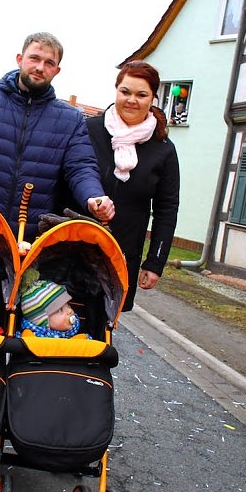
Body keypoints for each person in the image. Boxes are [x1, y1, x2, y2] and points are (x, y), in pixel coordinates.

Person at [0, 32, 114, 240]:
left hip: (31, 238)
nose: (40, 67)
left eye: (49, 63)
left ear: (57, 71)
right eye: (34, 58)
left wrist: (93, 196)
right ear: (20, 59)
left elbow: (81, 167)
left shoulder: (70, 119)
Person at [85, 61, 179, 312]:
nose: (131, 100)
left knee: (102, 333)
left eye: (141, 94)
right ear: (116, 90)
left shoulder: (163, 150)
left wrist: (155, 262)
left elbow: (167, 210)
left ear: (153, 99)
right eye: (125, 92)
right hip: (72, 245)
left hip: (122, 253)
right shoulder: (88, 131)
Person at [16, 269, 86, 339]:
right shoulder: (35, 340)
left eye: (67, 305)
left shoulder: (71, 332)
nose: (69, 310)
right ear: (44, 322)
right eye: (60, 310)